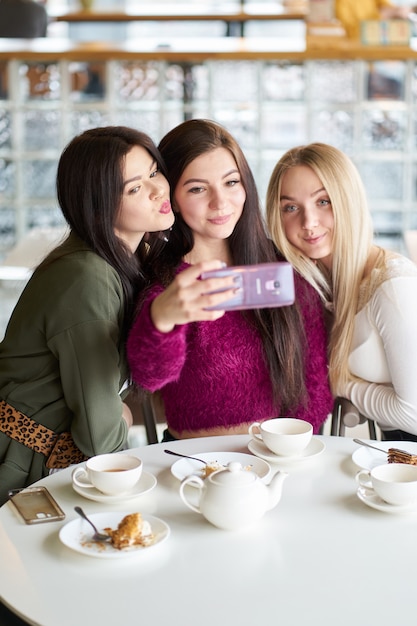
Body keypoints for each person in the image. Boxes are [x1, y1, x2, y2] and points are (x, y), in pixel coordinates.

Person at [126, 119, 333, 441]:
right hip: (193, 464)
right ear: (173, 199)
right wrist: (161, 319)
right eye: (197, 188)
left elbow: (315, 384)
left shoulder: (285, 268)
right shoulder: (166, 285)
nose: (220, 203)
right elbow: (150, 377)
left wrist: (287, 447)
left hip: (279, 455)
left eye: (231, 183)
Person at [0, 125, 174, 504]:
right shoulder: (87, 277)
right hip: (23, 465)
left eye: (154, 172)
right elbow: (101, 438)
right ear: (98, 207)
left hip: (49, 457)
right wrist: (123, 416)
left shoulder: (126, 258)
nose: (159, 190)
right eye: (135, 188)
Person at [266, 142, 417, 441]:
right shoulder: (316, 285)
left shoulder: (393, 288)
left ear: (347, 200)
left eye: (323, 202)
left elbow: (413, 414)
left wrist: (340, 383)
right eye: (291, 207)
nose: (308, 223)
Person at [334, 0, 414, 39]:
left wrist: (398, 11)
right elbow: (352, 34)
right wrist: (382, 15)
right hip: (360, 53)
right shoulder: (342, 3)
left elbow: (388, 8)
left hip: (383, 48)